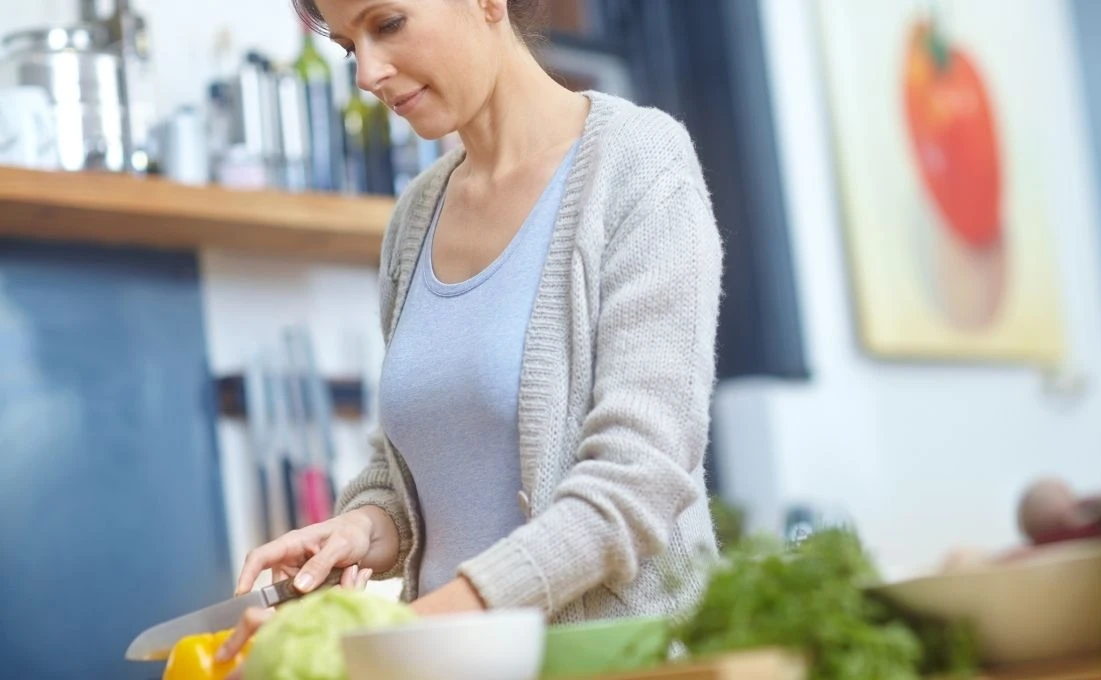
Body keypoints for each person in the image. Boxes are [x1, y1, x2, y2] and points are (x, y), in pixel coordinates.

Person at [218, 0, 723, 664]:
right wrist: (364, 528)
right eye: (348, 48)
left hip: (619, 663)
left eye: (387, 24)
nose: (367, 74)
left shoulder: (638, 167)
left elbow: (636, 485)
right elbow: (421, 466)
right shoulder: (414, 218)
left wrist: (408, 632)